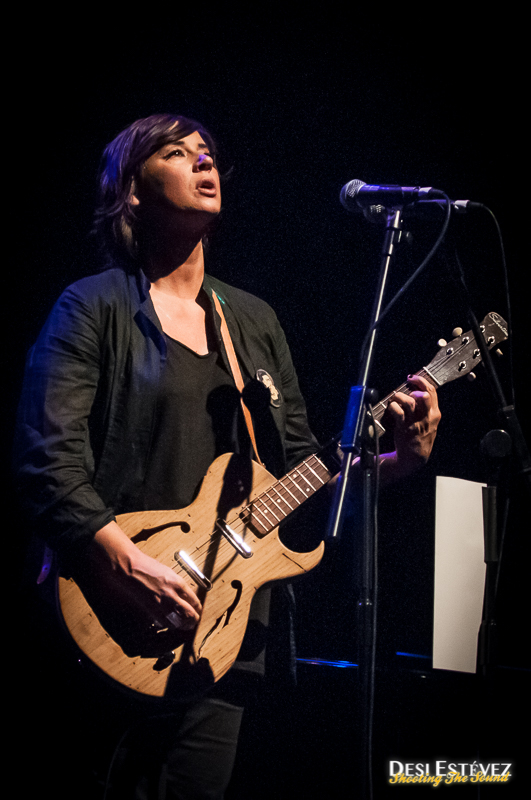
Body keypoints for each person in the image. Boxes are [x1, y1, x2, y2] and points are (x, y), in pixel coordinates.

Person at [14, 113, 441, 798]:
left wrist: (399, 464)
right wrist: (128, 562)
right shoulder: (91, 308)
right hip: (107, 614)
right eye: (177, 153)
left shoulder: (252, 322)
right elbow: (46, 461)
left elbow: (301, 476)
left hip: (225, 644)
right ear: (131, 190)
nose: (203, 162)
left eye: (208, 153)